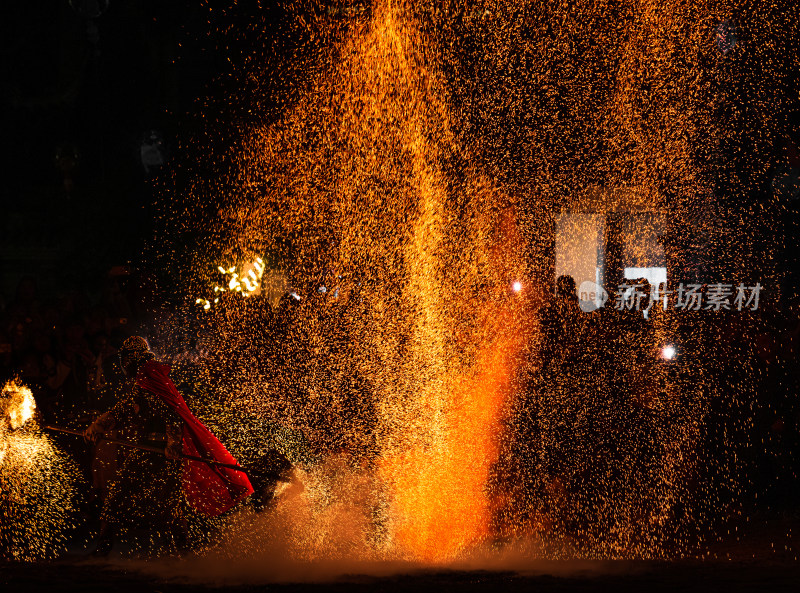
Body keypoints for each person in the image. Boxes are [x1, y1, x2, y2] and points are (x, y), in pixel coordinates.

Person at [84, 336, 253, 555]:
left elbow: (169, 414)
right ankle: (182, 551)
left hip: (161, 452)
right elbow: (129, 408)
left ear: (130, 359)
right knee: (162, 503)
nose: (123, 365)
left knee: (127, 497)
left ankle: (106, 548)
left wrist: (173, 443)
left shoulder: (148, 376)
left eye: (124, 360)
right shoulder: (148, 376)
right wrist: (99, 426)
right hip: (152, 449)